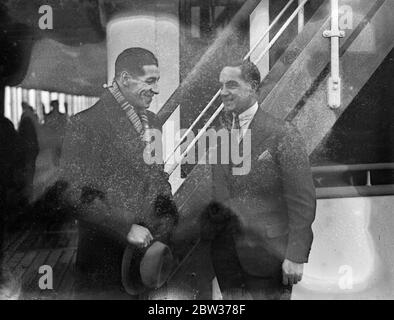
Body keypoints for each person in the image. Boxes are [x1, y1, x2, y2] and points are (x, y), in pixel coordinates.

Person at [58, 47, 178, 299]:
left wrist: (166, 217)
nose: (156, 90)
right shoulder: (85, 124)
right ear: (124, 79)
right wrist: (124, 227)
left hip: (144, 262)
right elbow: (73, 192)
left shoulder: (152, 122)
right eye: (150, 81)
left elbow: (157, 176)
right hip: (104, 264)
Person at [203, 60, 316, 300]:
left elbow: (302, 200)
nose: (223, 92)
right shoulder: (219, 137)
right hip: (227, 259)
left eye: (231, 85)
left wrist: (296, 254)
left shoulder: (283, 133)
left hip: (268, 259)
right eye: (221, 86)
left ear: (253, 87)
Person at [18, 102, 39, 203]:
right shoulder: (30, 118)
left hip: (27, 152)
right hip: (31, 152)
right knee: (30, 175)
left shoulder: (25, 118)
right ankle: (29, 196)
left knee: (28, 175)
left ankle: (28, 196)